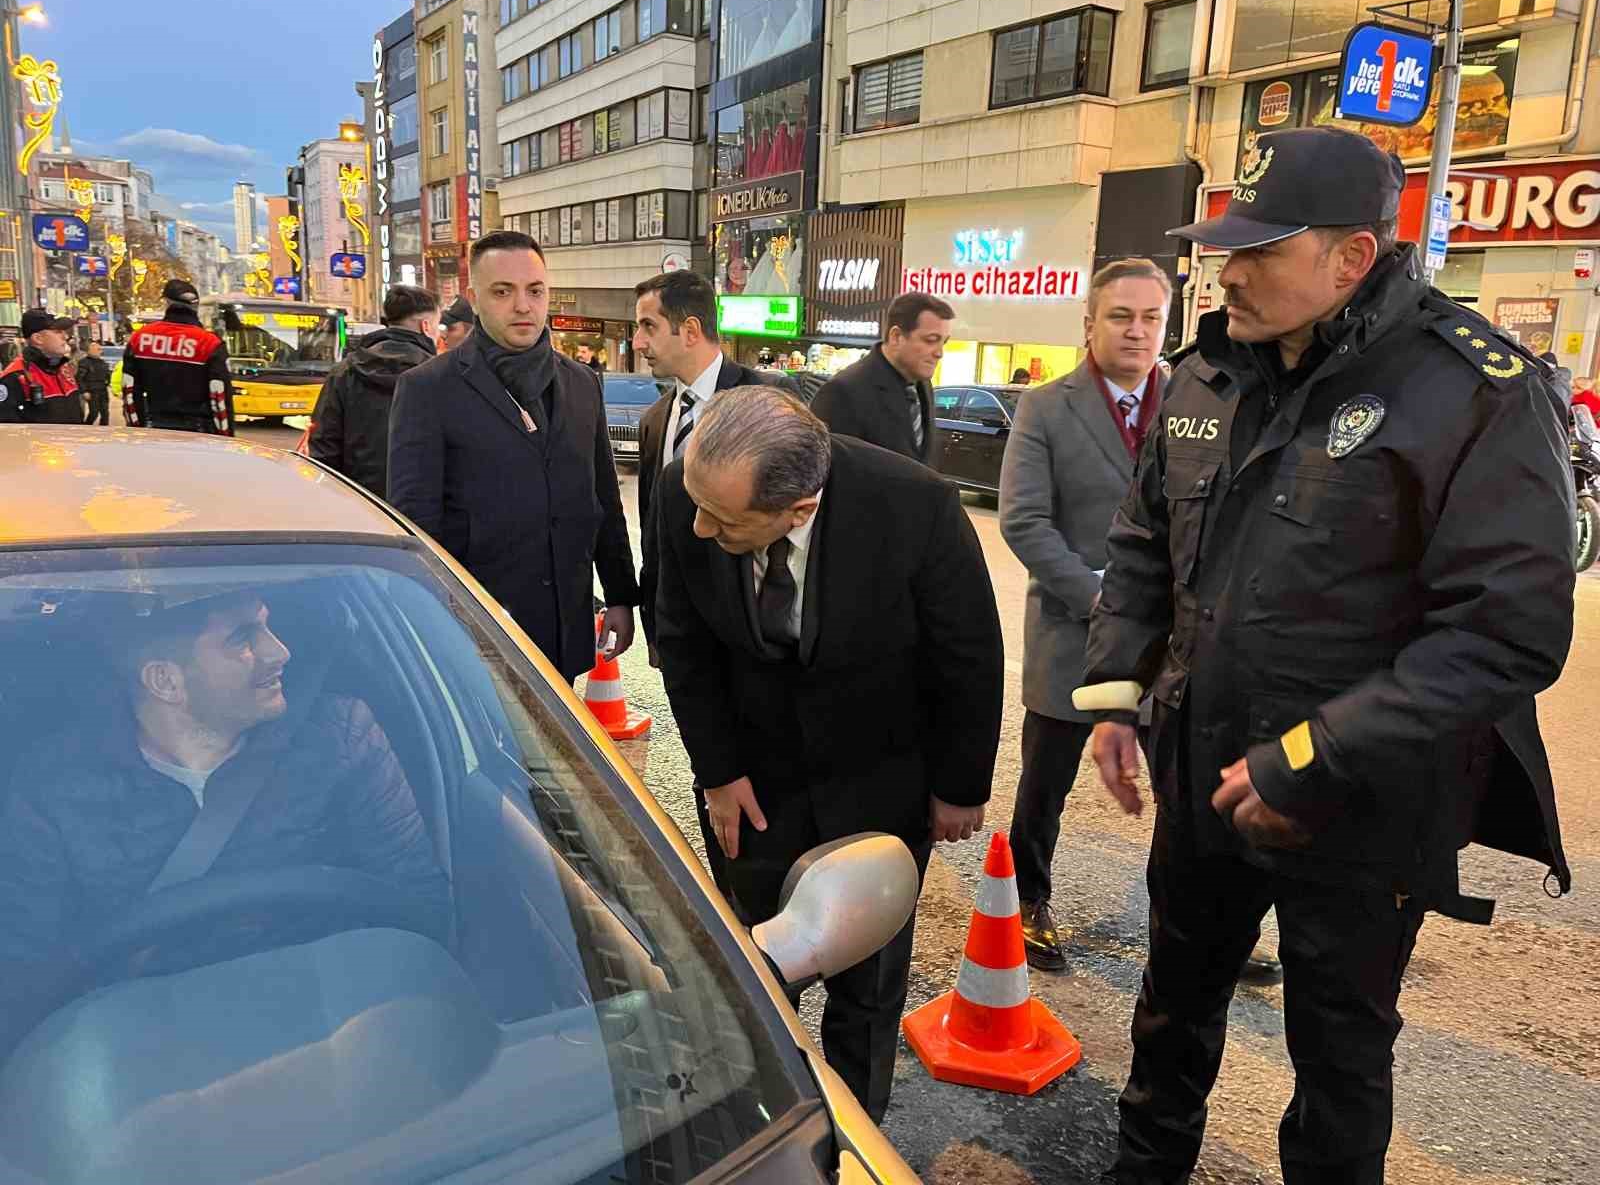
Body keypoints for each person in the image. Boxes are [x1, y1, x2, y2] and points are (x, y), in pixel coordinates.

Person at [1075, 127, 1575, 1185]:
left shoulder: (1473, 389)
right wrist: (1118, 692)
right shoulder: (1207, 374)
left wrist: (1309, 755)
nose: (1230, 269)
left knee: (1337, 1067)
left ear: (1351, 257)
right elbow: (1141, 546)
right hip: (1204, 780)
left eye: (1261, 248)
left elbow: (1506, 631)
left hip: (1358, 811)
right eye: (1225, 246)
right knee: (1168, 1022)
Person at [654, 387, 1004, 1122]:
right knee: (752, 965)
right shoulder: (690, 485)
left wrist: (958, 786)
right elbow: (683, 642)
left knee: (868, 988)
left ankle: (853, 1131)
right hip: (751, 786)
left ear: (798, 509)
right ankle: (759, 1121)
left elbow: (967, 654)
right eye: (696, 507)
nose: (697, 526)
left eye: (723, 523)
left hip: (878, 781)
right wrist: (717, 770)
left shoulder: (915, 507)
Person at [0, 590, 451, 1058]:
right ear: (165, 682)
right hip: (142, 1051)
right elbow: (23, 976)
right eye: (243, 638)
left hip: (330, 1023)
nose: (281, 651)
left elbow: (419, 906)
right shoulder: (55, 787)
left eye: (267, 625)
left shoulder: (341, 736)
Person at [999, 258, 1169, 972]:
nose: (1137, 332)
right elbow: (1023, 521)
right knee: (1047, 785)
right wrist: (1106, 600)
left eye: (1151, 318)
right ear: (1090, 323)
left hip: (1175, 643)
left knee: (1185, 793)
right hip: (1077, 632)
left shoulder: (1197, 400)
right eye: (1121, 317)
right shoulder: (1047, 406)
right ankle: (1026, 902)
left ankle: (1192, 919)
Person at [388, 230, 639, 683]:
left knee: (559, 752)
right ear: (475, 298)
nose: (523, 305)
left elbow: (602, 496)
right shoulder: (428, 389)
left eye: (535, 290)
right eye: (503, 291)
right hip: (475, 632)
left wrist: (621, 595)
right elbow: (416, 525)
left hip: (566, 622)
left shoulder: (582, 383)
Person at [630, 270, 786, 891]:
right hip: (680, 630)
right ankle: (734, 895)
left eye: (647, 326)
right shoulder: (656, 418)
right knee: (709, 765)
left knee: (765, 790)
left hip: (757, 634)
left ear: (688, 328)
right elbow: (654, 532)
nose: (639, 340)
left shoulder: (768, 402)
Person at [309, 284, 439, 500]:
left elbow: (324, 447)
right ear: (426, 326)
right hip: (423, 505)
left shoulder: (344, 372)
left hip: (360, 504)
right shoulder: (440, 374)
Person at [811, 291, 951, 466]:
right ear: (896, 337)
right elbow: (823, 473)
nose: (939, 353)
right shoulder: (843, 392)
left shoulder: (922, 385)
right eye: (931, 340)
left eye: (943, 342)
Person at [121, 279, 234, 435]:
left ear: (166, 303)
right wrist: (226, 438)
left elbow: (129, 391)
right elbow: (220, 397)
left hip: (153, 427)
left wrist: (136, 431)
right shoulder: (210, 343)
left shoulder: (140, 339)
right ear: (195, 306)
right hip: (200, 431)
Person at [0, 310, 81, 424]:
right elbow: (9, 432)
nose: (65, 336)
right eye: (58, 331)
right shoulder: (14, 377)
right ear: (38, 338)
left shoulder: (63, 369)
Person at [76, 340, 112, 425]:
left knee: (105, 413)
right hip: (92, 390)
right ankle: (86, 427)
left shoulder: (102, 363)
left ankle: (104, 429)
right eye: (97, 349)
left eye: (100, 349)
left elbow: (107, 375)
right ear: (90, 350)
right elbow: (80, 378)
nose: (100, 351)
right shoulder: (84, 362)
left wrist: (108, 382)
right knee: (94, 413)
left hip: (102, 390)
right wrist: (84, 391)